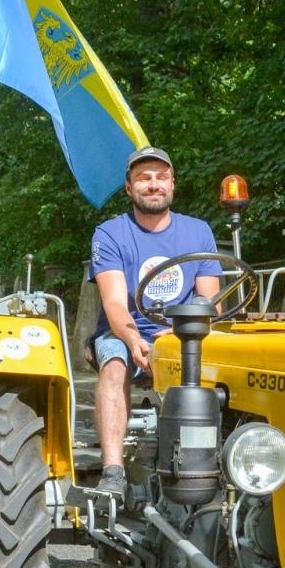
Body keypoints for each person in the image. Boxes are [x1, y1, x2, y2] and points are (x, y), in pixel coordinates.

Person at [88, 145, 222, 501]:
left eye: (161, 177)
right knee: (114, 363)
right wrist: (134, 340)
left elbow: (211, 301)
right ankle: (113, 471)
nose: (153, 184)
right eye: (143, 178)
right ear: (129, 187)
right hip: (124, 332)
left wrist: (180, 331)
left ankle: (228, 459)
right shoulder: (110, 233)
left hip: (183, 333)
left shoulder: (198, 232)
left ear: (172, 184)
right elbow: (114, 303)